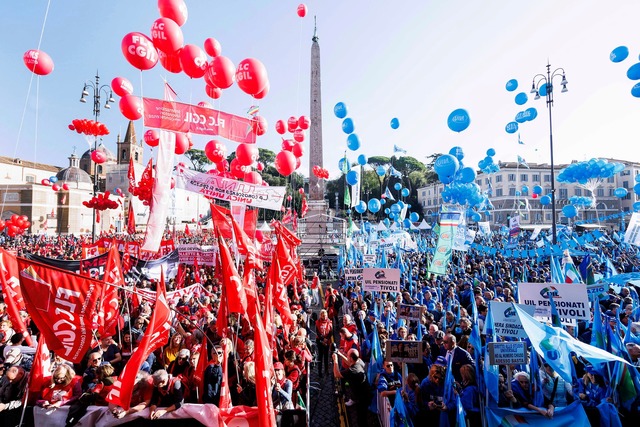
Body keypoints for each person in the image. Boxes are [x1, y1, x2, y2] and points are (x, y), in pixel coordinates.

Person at [332, 349, 370, 427]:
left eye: (348, 355)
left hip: (361, 398)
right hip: (365, 394)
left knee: (361, 419)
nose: (346, 356)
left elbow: (337, 374)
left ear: (352, 358)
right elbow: (350, 362)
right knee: (362, 417)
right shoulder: (359, 361)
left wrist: (335, 360)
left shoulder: (352, 371)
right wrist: (340, 354)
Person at [315, 309, 333, 377]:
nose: (324, 317)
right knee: (320, 356)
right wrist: (322, 339)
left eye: (325, 316)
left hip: (327, 341)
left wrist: (327, 338)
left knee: (326, 356)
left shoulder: (329, 322)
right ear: (320, 316)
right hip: (320, 341)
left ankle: (326, 370)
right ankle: (319, 371)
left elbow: (331, 332)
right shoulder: (317, 322)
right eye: (323, 316)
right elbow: (317, 332)